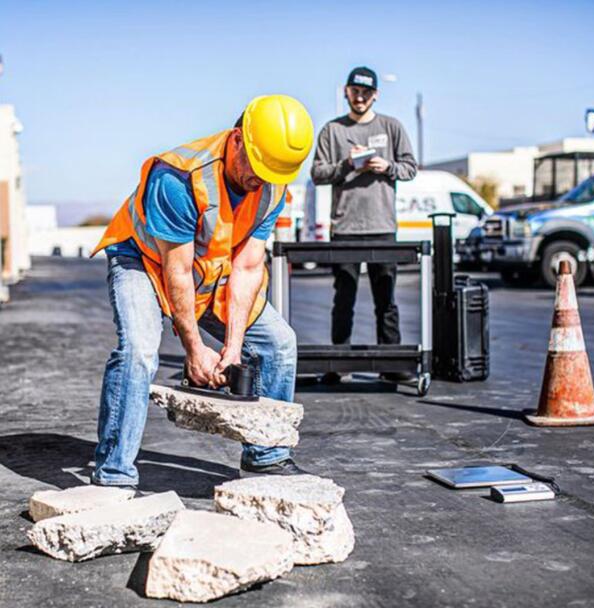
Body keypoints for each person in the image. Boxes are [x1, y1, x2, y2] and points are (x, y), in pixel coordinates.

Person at [90, 95, 314, 489]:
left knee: (278, 343)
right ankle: (114, 473)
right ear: (237, 139)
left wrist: (233, 347)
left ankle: (266, 455)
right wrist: (194, 349)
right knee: (139, 351)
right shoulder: (178, 178)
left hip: (209, 269)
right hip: (144, 262)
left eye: (272, 173)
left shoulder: (273, 184)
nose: (261, 180)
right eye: (258, 167)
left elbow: (248, 267)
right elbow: (175, 270)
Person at [311, 67, 417, 383]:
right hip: (345, 228)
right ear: (346, 92)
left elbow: (410, 168)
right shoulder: (332, 131)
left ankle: (392, 364)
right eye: (355, 91)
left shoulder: (391, 127)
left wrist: (387, 166)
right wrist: (348, 164)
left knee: (386, 299)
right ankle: (339, 363)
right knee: (344, 298)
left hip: (382, 226)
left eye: (366, 93)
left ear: (375, 95)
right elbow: (317, 174)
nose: (360, 98)